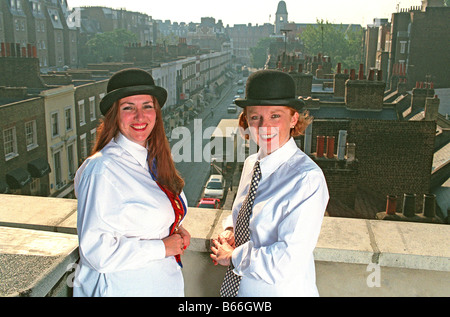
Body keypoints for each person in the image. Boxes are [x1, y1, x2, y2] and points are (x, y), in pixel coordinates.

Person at [210, 69, 329, 297]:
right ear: (246, 120)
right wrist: (230, 228)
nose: (264, 126)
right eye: (255, 117)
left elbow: (287, 261)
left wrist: (232, 256)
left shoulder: (307, 179)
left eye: (275, 116)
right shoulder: (251, 164)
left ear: (294, 119)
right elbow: (249, 213)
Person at [74, 68, 190, 297]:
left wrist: (171, 227)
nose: (140, 116)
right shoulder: (101, 170)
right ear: (114, 115)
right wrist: (163, 246)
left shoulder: (152, 160)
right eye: (128, 108)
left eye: (147, 106)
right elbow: (97, 252)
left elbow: (137, 217)